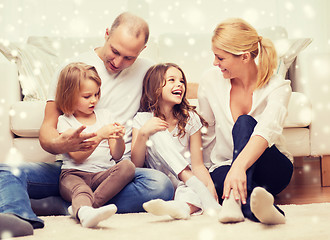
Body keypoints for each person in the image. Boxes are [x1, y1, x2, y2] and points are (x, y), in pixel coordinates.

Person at [0, 12, 174, 237]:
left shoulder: (148, 71)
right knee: (7, 170)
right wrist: (61, 143)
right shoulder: (72, 70)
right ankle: (17, 215)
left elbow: (177, 94)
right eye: (115, 51)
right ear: (106, 34)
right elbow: (48, 129)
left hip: (113, 175)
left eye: (129, 58)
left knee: (160, 185)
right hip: (71, 169)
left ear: (142, 50)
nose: (118, 62)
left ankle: (68, 207)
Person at [198, 18, 293, 224]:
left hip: (272, 169)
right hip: (226, 166)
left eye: (220, 58)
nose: (215, 63)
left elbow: (266, 131)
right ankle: (254, 207)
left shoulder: (278, 87)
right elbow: (207, 133)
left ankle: (233, 200)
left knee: (244, 123)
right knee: (214, 180)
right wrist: (202, 173)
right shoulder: (210, 81)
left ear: (245, 57)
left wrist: (239, 167)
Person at [131, 63, 220, 220]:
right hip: (159, 184)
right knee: (156, 130)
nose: (179, 84)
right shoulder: (142, 119)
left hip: (185, 182)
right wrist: (144, 133)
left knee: (190, 192)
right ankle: (195, 188)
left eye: (181, 81)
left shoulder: (191, 118)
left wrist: (209, 187)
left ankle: (181, 207)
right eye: (171, 80)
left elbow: (198, 164)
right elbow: (136, 165)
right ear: (155, 87)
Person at [55, 62, 136, 228]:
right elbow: (77, 157)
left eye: (97, 94)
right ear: (69, 96)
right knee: (81, 191)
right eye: (87, 96)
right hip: (74, 175)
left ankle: (85, 209)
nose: (94, 100)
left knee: (127, 166)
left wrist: (119, 138)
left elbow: (116, 155)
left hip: (102, 175)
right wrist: (100, 135)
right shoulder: (65, 121)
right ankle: (85, 211)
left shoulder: (105, 115)